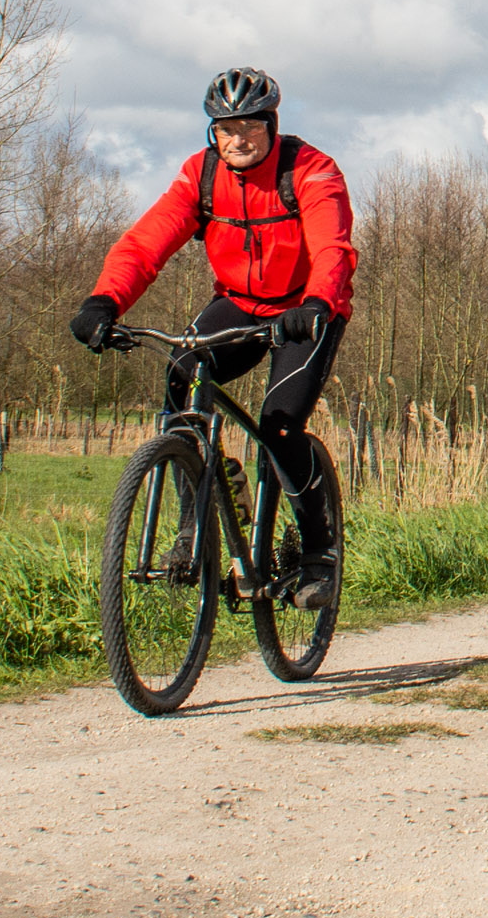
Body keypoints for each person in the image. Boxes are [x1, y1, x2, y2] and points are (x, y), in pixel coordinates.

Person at [74, 68, 356, 604]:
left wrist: (318, 301)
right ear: (213, 132)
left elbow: (332, 248)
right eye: (225, 129)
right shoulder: (201, 176)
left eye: (249, 125)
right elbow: (144, 244)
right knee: (181, 382)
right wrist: (104, 301)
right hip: (238, 302)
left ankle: (320, 551)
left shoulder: (311, 171)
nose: (237, 139)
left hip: (305, 309)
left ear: (271, 124)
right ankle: (194, 525)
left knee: (278, 426)